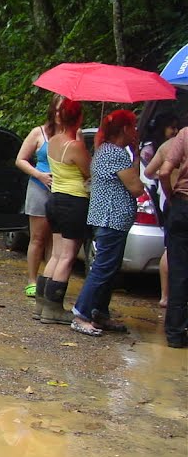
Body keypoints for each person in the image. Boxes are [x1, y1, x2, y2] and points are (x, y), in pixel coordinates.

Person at [70, 110, 143, 336]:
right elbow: (136, 187)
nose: (136, 131)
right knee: (103, 268)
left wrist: (136, 153)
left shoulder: (106, 151)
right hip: (111, 218)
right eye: (133, 126)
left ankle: (99, 311)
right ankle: (81, 313)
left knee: (110, 269)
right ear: (124, 129)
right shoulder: (115, 154)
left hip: (107, 218)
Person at [39, 99, 90, 325]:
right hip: (74, 200)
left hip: (55, 199)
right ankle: (54, 309)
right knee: (68, 256)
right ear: (78, 118)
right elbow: (88, 172)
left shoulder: (53, 141)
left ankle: (42, 305)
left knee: (57, 254)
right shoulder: (75, 146)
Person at [15, 94, 62, 307]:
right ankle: (32, 280)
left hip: (63, 190)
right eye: (59, 109)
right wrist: (39, 175)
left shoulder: (74, 134)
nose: (61, 114)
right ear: (52, 110)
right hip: (39, 187)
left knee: (56, 239)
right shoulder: (38, 132)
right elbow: (20, 160)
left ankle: (50, 281)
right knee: (38, 238)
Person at [149, 126, 188, 348]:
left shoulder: (184, 134)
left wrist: (171, 196)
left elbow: (163, 172)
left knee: (179, 271)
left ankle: (175, 332)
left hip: (182, 205)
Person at [141, 113, 179, 307]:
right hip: (173, 201)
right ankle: (166, 295)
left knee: (171, 248)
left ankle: (166, 296)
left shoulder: (166, 147)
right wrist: (166, 181)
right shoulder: (166, 146)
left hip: (171, 201)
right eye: (171, 127)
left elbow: (150, 172)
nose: (175, 131)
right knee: (171, 249)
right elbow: (150, 172)